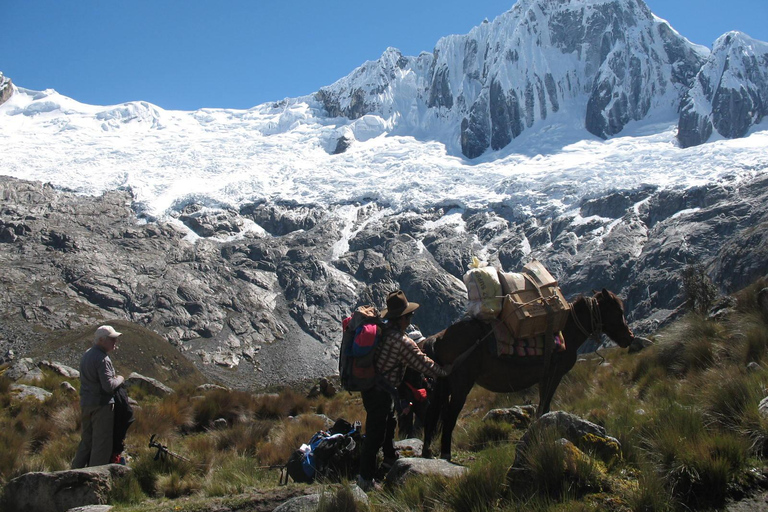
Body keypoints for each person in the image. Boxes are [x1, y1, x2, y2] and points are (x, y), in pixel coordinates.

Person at [357, 290, 452, 491]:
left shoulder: (384, 331)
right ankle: (365, 479)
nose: (410, 319)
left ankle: (389, 459)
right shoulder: (402, 342)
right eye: (409, 315)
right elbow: (422, 363)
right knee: (375, 433)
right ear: (402, 318)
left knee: (388, 423)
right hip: (381, 392)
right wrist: (443, 372)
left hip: (374, 388)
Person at [72, 325, 125, 468]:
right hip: (101, 406)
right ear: (102, 340)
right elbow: (108, 386)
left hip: (86, 404)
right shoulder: (102, 359)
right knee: (101, 444)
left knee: (86, 441)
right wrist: (120, 378)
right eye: (112, 339)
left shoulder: (87, 354)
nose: (115, 342)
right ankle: (94, 477)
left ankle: (73, 472)